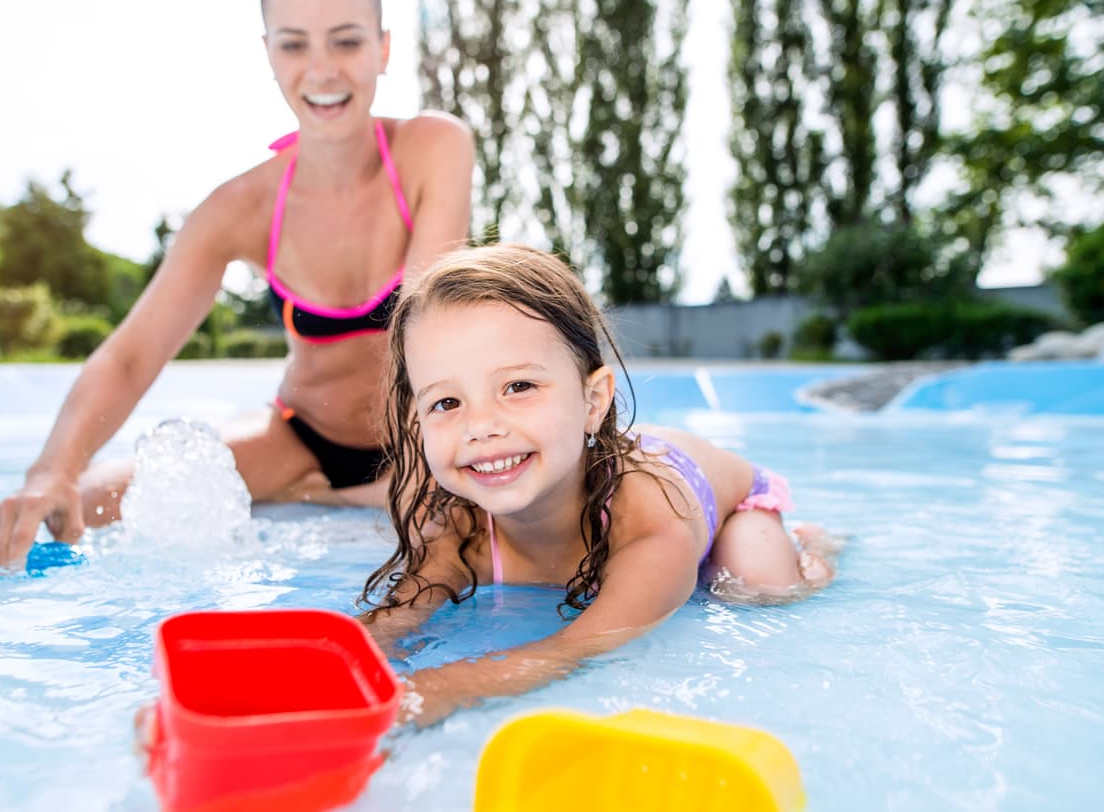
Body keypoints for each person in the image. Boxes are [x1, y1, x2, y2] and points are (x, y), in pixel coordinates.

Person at [0, 0, 474, 570]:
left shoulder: (434, 148)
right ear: (269, 55)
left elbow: (428, 335)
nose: (322, 70)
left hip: (422, 436)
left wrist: (416, 477)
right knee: (84, 504)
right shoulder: (238, 209)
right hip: (301, 436)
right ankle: (329, 489)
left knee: (456, 510)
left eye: (346, 41)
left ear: (383, 48)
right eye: (294, 45)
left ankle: (336, 494)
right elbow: (131, 357)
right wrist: (51, 470)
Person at [359, 244, 839, 726]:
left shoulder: (651, 524)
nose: (480, 427)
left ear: (592, 401)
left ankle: (814, 546)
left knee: (759, 587)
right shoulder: (457, 530)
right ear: (417, 422)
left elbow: (575, 647)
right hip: (597, 455)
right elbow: (390, 623)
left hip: (730, 504)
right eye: (446, 403)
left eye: (519, 387)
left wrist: (433, 691)